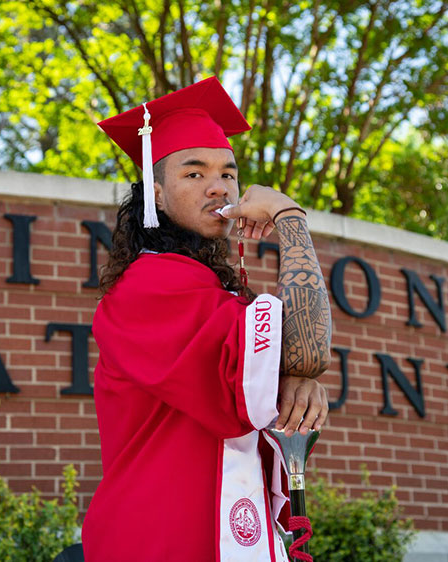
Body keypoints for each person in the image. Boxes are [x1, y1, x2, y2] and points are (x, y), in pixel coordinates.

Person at [81, 76, 332, 562]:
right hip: (159, 540)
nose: (218, 187)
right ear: (155, 193)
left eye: (228, 173)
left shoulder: (215, 292)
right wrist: (290, 217)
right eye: (193, 174)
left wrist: (296, 381)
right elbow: (308, 349)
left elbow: (295, 362)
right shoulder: (148, 284)